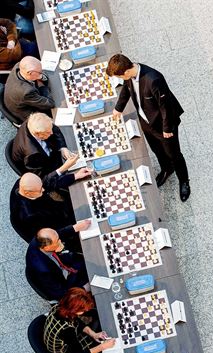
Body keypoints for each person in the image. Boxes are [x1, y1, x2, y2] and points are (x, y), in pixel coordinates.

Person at [106, 54, 190, 201]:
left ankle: (184, 181)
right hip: (146, 122)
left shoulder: (153, 79)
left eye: (119, 77)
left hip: (164, 125)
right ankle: (166, 169)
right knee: (156, 150)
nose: (121, 80)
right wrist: (118, 108)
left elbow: (166, 107)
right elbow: (126, 89)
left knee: (174, 155)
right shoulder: (130, 77)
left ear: (125, 72)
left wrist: (167, 129)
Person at [9, 171, 90, 243]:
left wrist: (75, 176)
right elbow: (50, 235)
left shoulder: (22, 183)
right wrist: (74, 228)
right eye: (40, 190)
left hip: (54, 211)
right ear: (28, 193)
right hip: (53, 228)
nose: (44, 189)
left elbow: (47, 183)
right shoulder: (29, 215)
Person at [44, 288, 116, 353]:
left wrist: (94, 334)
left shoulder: (59, 307)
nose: (84, 312)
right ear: (74, 310)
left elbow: (77, 322)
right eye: (83, 311)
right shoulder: (67, 331)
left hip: (64, 341)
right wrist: (103, 346)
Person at [25, 227, 90, 301]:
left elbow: (57, 234)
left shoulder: (39, 239)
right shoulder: (43, 270)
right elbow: (60, 293)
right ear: (47, 248)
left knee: (86, 261)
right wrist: (84, 288)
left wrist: (75, 227)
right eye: (57, 241)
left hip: (63, 266)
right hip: (63, 282)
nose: (60, 241)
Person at [12, 112, 77, 179]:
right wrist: (64, 167)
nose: (52, 132)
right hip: (45, 170)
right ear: (38, 134)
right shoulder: (31, 155)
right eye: (48, 132)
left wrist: (62, 148)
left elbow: (55, 130)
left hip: (50, 154)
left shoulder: (34, 122)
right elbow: (43, 179)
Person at [4, 56, 55, 122]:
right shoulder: (26, 92)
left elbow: (42, 77)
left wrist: (39, 77)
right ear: (30, 73)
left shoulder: (19, 66)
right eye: (40, 72)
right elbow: (50, 104)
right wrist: (42, 86)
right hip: (28, 113)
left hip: (19, 99)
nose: (41, 73)